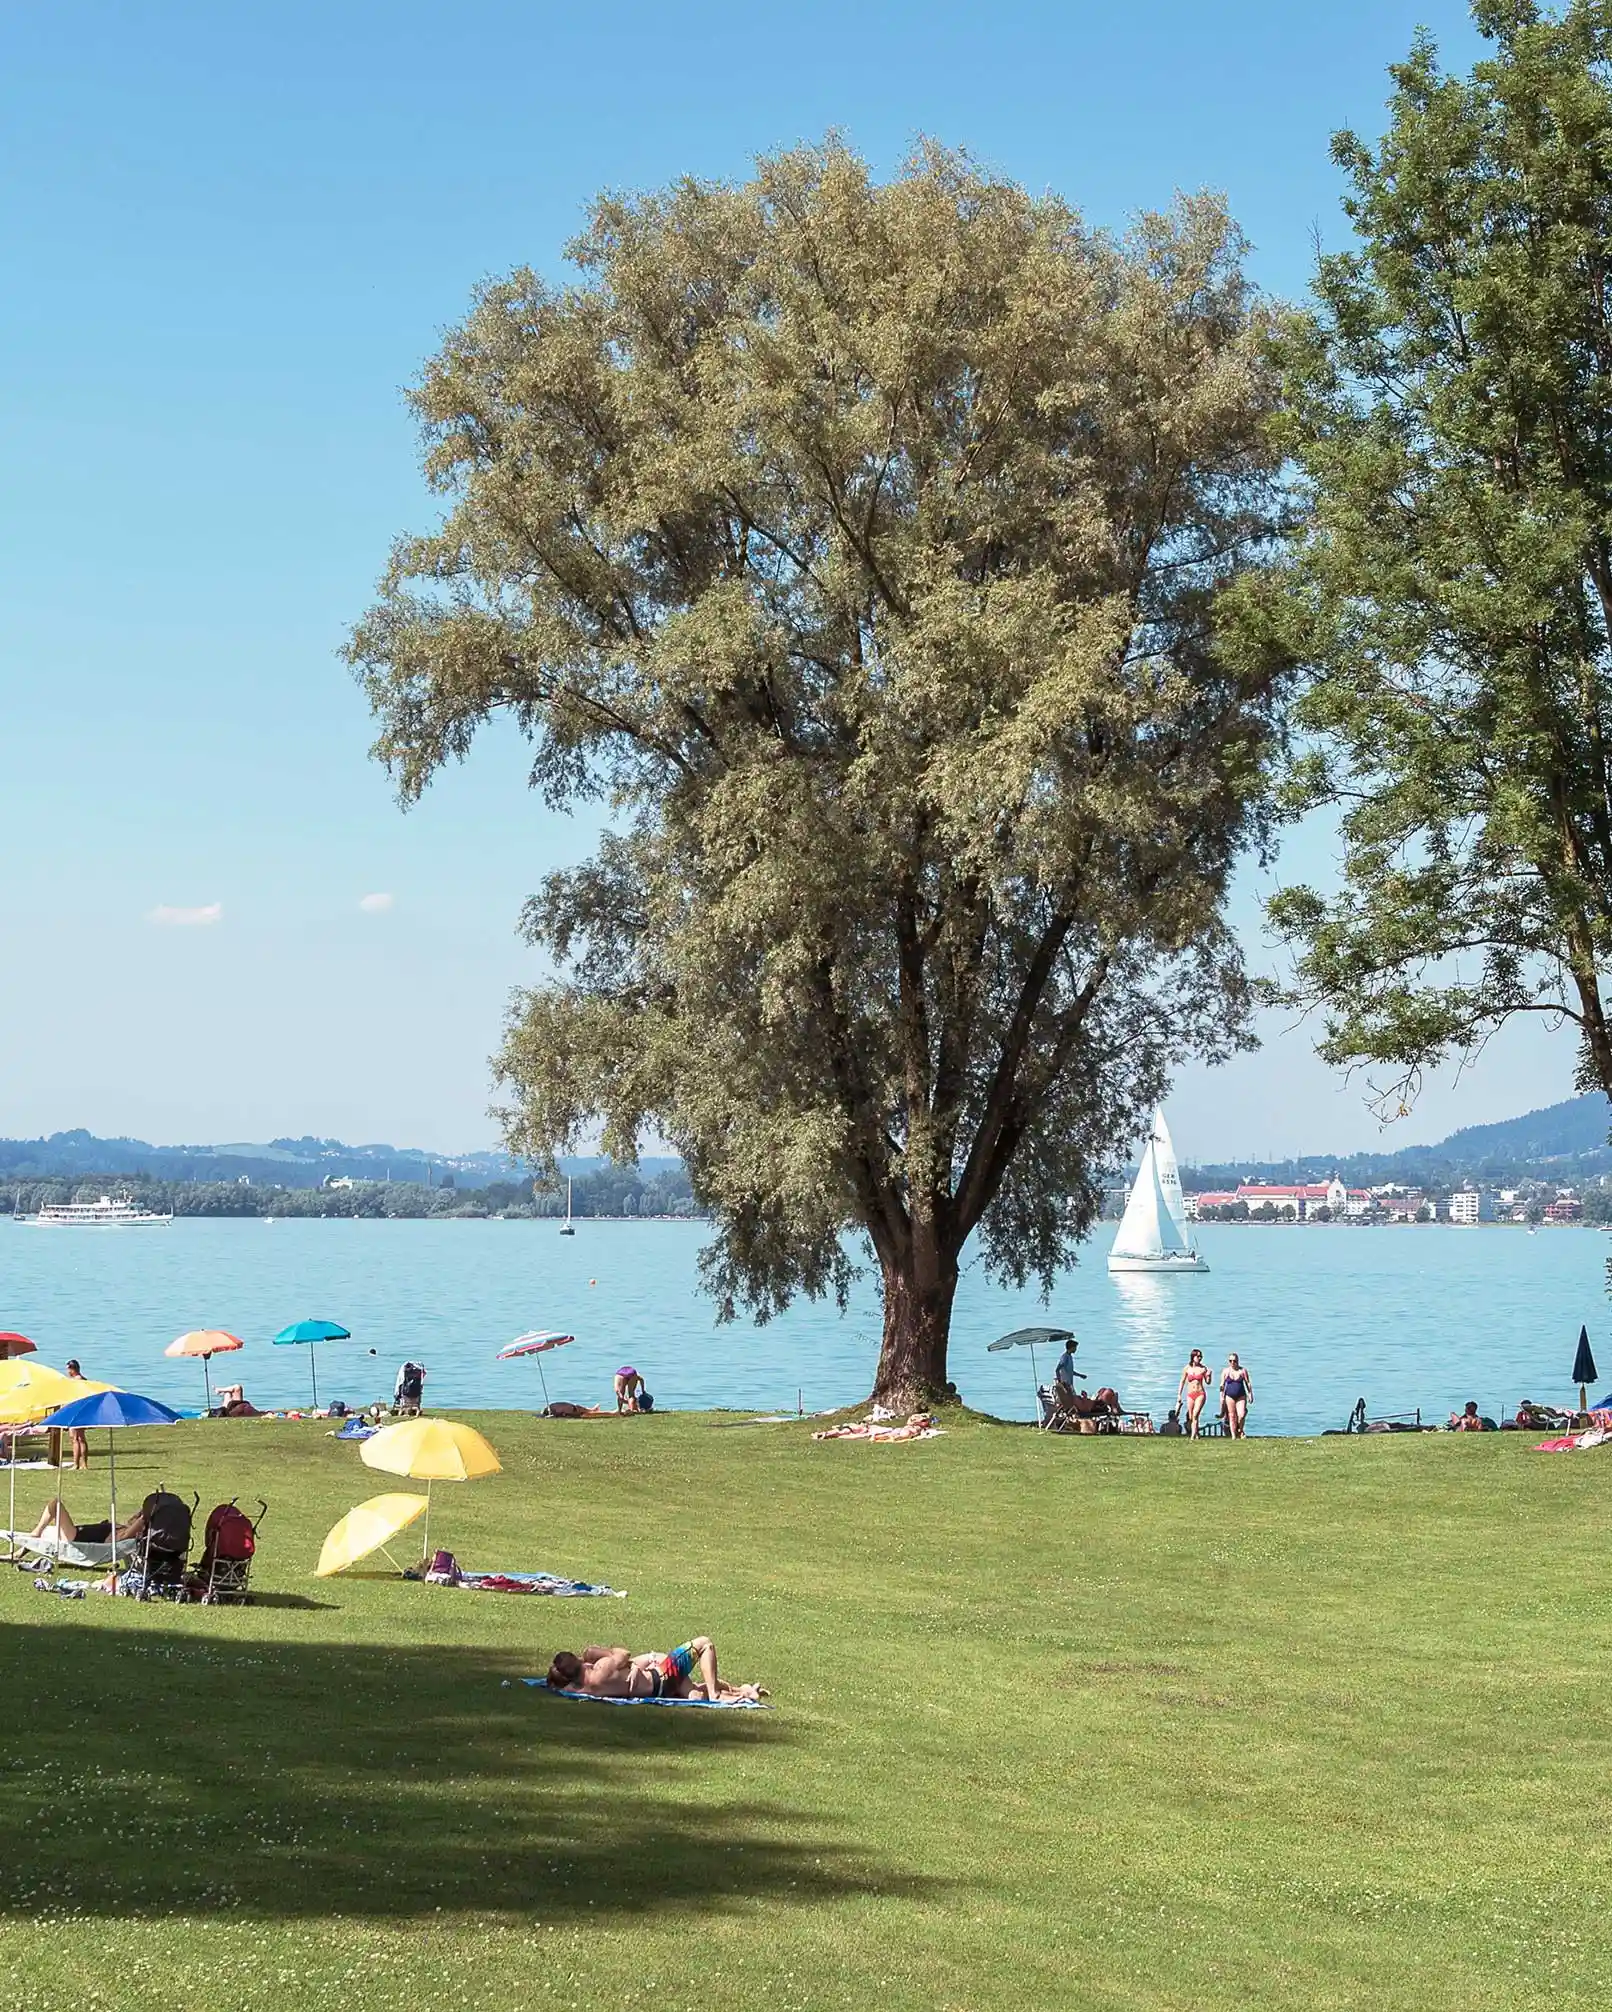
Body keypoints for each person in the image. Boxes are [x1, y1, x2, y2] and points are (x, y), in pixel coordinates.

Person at [546, 1637, 764, 1702]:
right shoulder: (601, 1668)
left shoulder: (580, 1690)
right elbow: (624, 1653)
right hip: (662, 1675)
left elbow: (554, 1683)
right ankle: (716, 1694)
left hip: (656, 1690)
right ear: (579, 1661)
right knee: (705, 1644)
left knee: (695, 1693)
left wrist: (632, 1668)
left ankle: (743, 1692)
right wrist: (595, 1652)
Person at [27, 1493, 151, 1546]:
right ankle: (20, 1552)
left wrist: (147, 1515)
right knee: (47, 1526)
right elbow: (135, 1520)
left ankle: (37, 1532)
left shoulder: (121, 1535)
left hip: (75, 1537)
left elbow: (140, 1522)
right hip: (75, 1533)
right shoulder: (121, 1528)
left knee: (55, 1503)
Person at [1177, 1349, 1212, 1437]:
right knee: (1191, 1416)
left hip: (1200, 1393)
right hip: (1190, 1394)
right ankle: (1196, 1433)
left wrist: (1209, 1375)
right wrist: (1179, 1395)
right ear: (1193, 1357)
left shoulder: (1203, 1368)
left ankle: (1192, 1436)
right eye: (1198, 1356)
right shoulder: (1187, 1368)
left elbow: (1208, 1382)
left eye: (1201, 1357)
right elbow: (1182, 1381)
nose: (1200, 1358)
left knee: (1196, 1414)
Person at [64, 1360, 90, 1470]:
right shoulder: (83, 1380)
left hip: (76, 1411)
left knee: (76, 1438)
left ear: (72, 1369)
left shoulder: (76, 1381)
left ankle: (77, 1464)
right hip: (81, 1410)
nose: (67, 1372)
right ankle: (82, 1463)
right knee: (79, 1438)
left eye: (68, 1369)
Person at [1220, 1353, 1253, 1438]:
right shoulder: (1226, 1371)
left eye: (1234, 1361)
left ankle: (1240, 1430)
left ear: (1237, 1361)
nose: (1232, 1363)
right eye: (1230, 1361)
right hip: (1229, 1396)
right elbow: (1222, 1385)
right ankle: (1233, 1435)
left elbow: (1247, 1383)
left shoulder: (1242, 1371)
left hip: (1241, 1396)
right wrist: (1221, 1396)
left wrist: (1250, 1394)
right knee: (1231, 1415)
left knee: (1241, 1415)